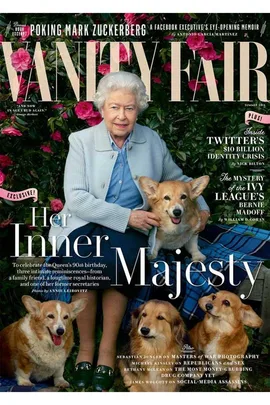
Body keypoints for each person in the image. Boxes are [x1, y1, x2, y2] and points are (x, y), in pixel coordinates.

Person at [48, 71, 210, 391]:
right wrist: (127, 217)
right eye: (114, 107)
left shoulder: (150, 140)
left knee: (121, 261)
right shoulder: (81, 141)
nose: (122, 116)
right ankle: (85, 351)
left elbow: (176, 175)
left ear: (139, 109)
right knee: (83, 262)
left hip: (134, 226)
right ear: (102, 108)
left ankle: (106, 353)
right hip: (87, 221)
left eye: (130, 108)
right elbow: (77, 199)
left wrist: (201, 206)